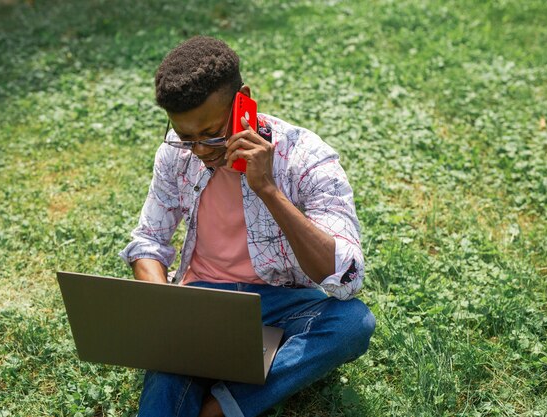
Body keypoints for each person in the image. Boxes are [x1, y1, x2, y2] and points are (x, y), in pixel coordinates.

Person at [119, 36, 375, 417]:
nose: (200, 150)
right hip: (203, 302)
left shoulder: (305, 156)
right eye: (187, 137)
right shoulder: (176, 154)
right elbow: (149, 242)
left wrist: (269, 190)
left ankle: (221, 408)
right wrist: (165, 311)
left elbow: (347, 277)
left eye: (211, 133)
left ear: (244, 101)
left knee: (352, 324)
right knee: (167, 371)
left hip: (281, 305)